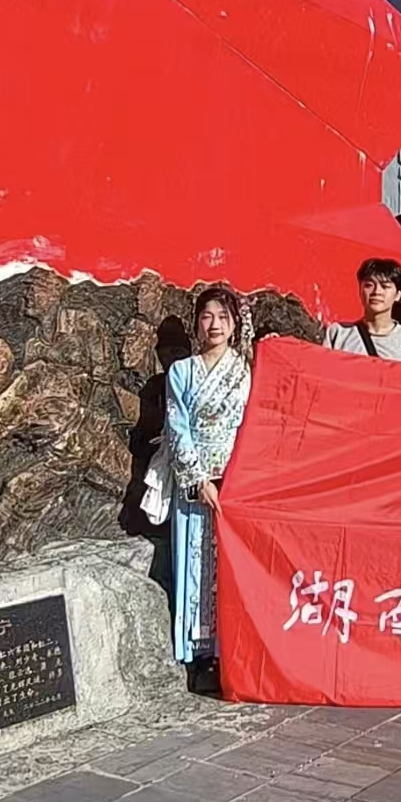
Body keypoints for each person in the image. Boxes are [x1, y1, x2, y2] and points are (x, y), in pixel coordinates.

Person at [160, 287, 254, 689]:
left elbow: (251, 427)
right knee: (195, 561)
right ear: (197, 322)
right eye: (207, 316)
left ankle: (226, 648)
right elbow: (177, 427)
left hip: (234, 480)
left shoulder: (245, 372)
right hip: (195, 481)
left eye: (223, 317)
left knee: (228, 566)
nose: (214, 325)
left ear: (234, 324)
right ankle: (198, 652)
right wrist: (199, 479)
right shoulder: (181, 372)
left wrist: (237, 479)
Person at [322, 257, 401, 364]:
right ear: (360, 289)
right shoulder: (338, 334)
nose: (376, 292)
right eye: (369, 285)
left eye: (385, 286)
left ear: (398, 294)